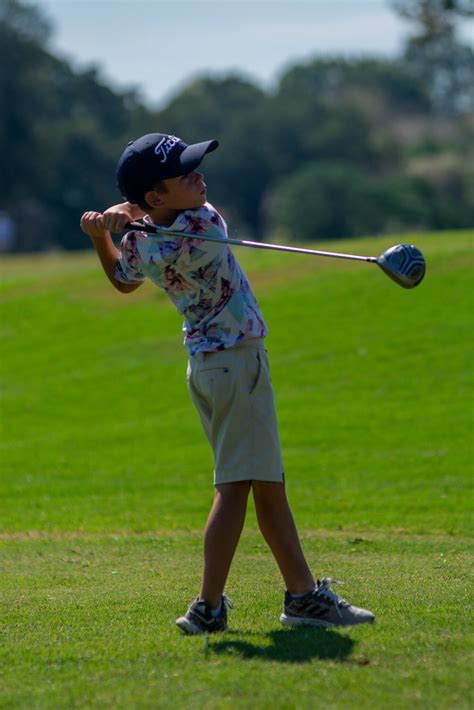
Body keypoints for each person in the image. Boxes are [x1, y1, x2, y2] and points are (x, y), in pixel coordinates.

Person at [80, 132, 375, 634]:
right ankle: (209, 605)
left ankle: (302, 596)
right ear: (157, 196)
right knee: (237, 488)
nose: (199, 176)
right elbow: (161, 217)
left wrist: (102, 234)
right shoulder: (203, 224)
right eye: (186, 173)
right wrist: (125, 214)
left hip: (211, 367)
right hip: (237, 366)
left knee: (266, 487)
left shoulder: (142, 241)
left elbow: (123, 280)